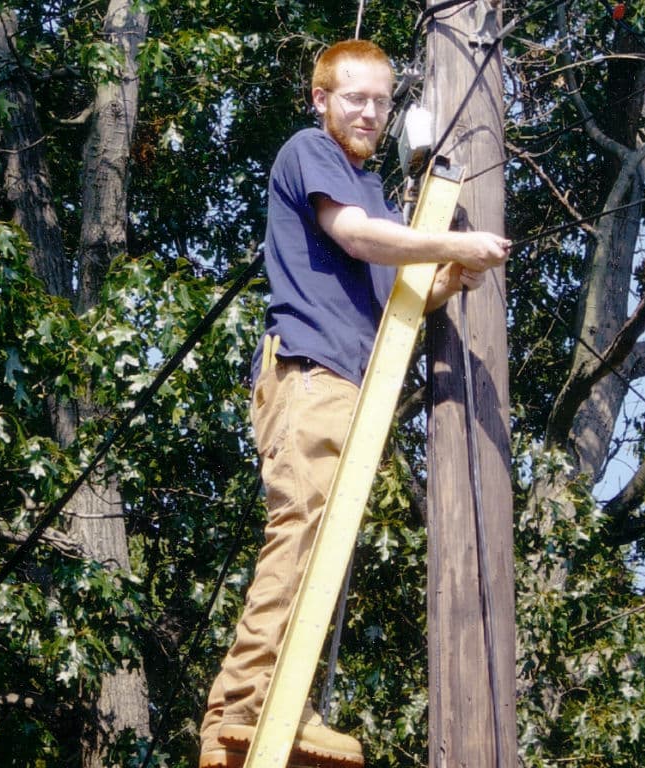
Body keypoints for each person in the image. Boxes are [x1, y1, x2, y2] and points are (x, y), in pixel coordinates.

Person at [199, 39, 510, 768]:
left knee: (321, 552)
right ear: (322, 100)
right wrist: (449, 242)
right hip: (312, 374)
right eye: (355, 98)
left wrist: (453, 276)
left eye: (380, 101)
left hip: (351, 381)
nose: (370, 113)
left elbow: (401, 296)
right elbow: (358, 238)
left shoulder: (373, 192)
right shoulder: (310, 152)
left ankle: (283, 703)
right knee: (303, 533)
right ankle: (239, 710)